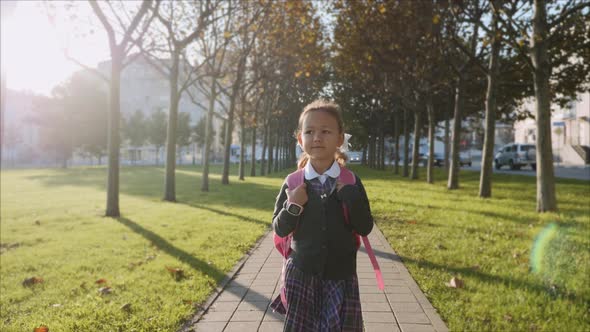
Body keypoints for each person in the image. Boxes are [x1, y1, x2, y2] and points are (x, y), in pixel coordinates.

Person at [270, 99, 374, 331]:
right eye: (309, 131)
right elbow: (280, 228)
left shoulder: (351, 182)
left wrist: (350, 197)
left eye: (326, 131)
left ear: (339, 139)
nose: (317, 137)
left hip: (341, 277)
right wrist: (293, 206)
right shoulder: (293, 182)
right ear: (300, 139)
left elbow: (365, 226)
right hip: (302, 275)